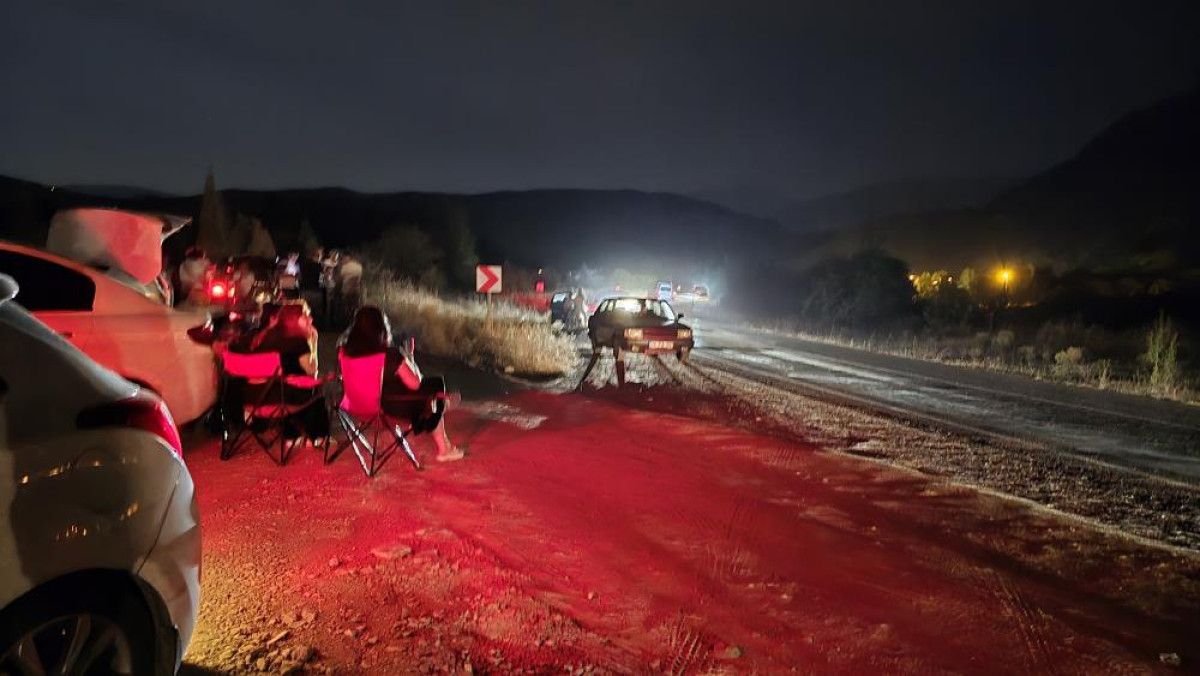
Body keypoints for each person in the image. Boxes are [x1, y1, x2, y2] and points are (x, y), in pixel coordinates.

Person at [338, 306, 464, 462]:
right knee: (435, 383)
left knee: (427, 395)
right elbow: (416, 384)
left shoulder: (345, 353)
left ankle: (441, 405)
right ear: (382, 330)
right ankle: (443, 447)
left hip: (355, 408)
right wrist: (409, 358)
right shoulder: (390, 355)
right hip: (389, 410)